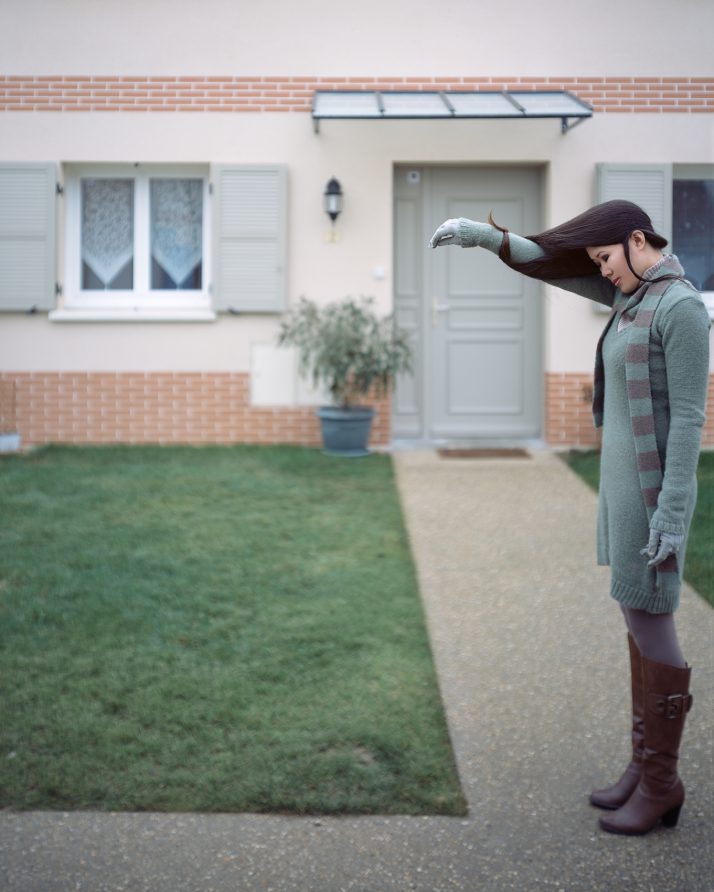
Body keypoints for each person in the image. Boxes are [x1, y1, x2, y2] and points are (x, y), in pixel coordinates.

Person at [430, 201, 710, 836]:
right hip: (620, 491)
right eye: (596, 263)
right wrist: (481, 236)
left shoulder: (681, 309)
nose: (600, 272)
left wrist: (671, 515)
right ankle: (644, 768)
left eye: (605, 258)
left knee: (654, 622)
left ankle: (663, 785)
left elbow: (690, 420)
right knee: (635, 621)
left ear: (638, 241)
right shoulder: (634, 298)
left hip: (650, 495)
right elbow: (547, 266)